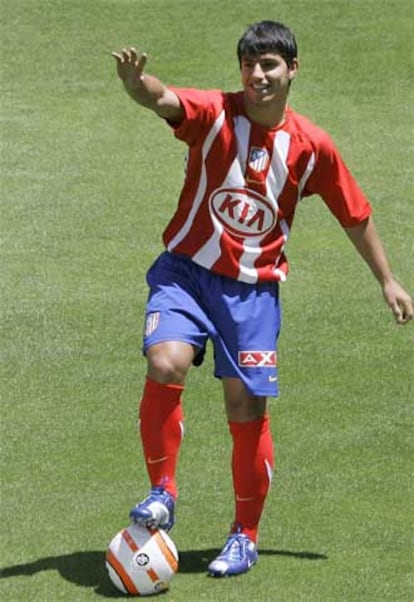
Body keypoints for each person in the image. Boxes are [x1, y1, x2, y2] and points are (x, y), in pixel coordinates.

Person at [111, 20, 413, 578]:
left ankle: (244, 536)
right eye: (249, 65)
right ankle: (163, 491)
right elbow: (163, 98)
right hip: (185, 274)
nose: (258, 75)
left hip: (253, 293)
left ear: (292, 70)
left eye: (270, 65)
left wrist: (387, 280)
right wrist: (136, 83)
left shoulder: (311, 146)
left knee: (245, 407)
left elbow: (355, 213)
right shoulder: (215, 114)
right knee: (165, 360)